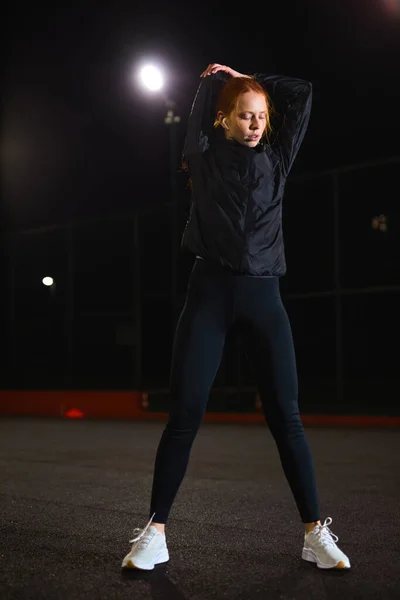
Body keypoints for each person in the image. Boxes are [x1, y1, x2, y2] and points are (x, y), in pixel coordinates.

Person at [121, 63, 351, 571]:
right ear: (223, 119)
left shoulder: (278, 156)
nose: (253, 124)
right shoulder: (202, 157)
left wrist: (252, 79)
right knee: (183, 416)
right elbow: (201, 112)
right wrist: (211, 81)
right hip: (209, 295)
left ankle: (315, 533)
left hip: (265, 299)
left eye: (260, 117)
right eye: (244, 116)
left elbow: (304, 91)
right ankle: (155, 532)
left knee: (287, 419)